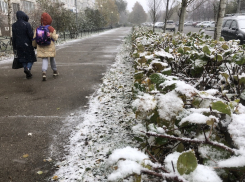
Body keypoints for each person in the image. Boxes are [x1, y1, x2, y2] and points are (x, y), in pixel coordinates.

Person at [32, 12, 59, 81]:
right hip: (50, 46)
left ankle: (44, 72)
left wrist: (34, 45)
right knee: (52, 58)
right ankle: (55, 71)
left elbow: (34, 38)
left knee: (44, 59)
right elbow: (54, 38)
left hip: (41, 46)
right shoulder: (51, 28)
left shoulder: (37, 28)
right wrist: (57, 36)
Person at [12, 11, 37, 79]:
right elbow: (31, 35)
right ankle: (28, 69)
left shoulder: (14, 25)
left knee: (23, 59)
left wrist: (14, 47)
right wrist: (34, 44)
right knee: (31, 58)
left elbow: (14, 37)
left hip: (18, 45)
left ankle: (26, 71)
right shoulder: (26, 24)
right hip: (27, 44)